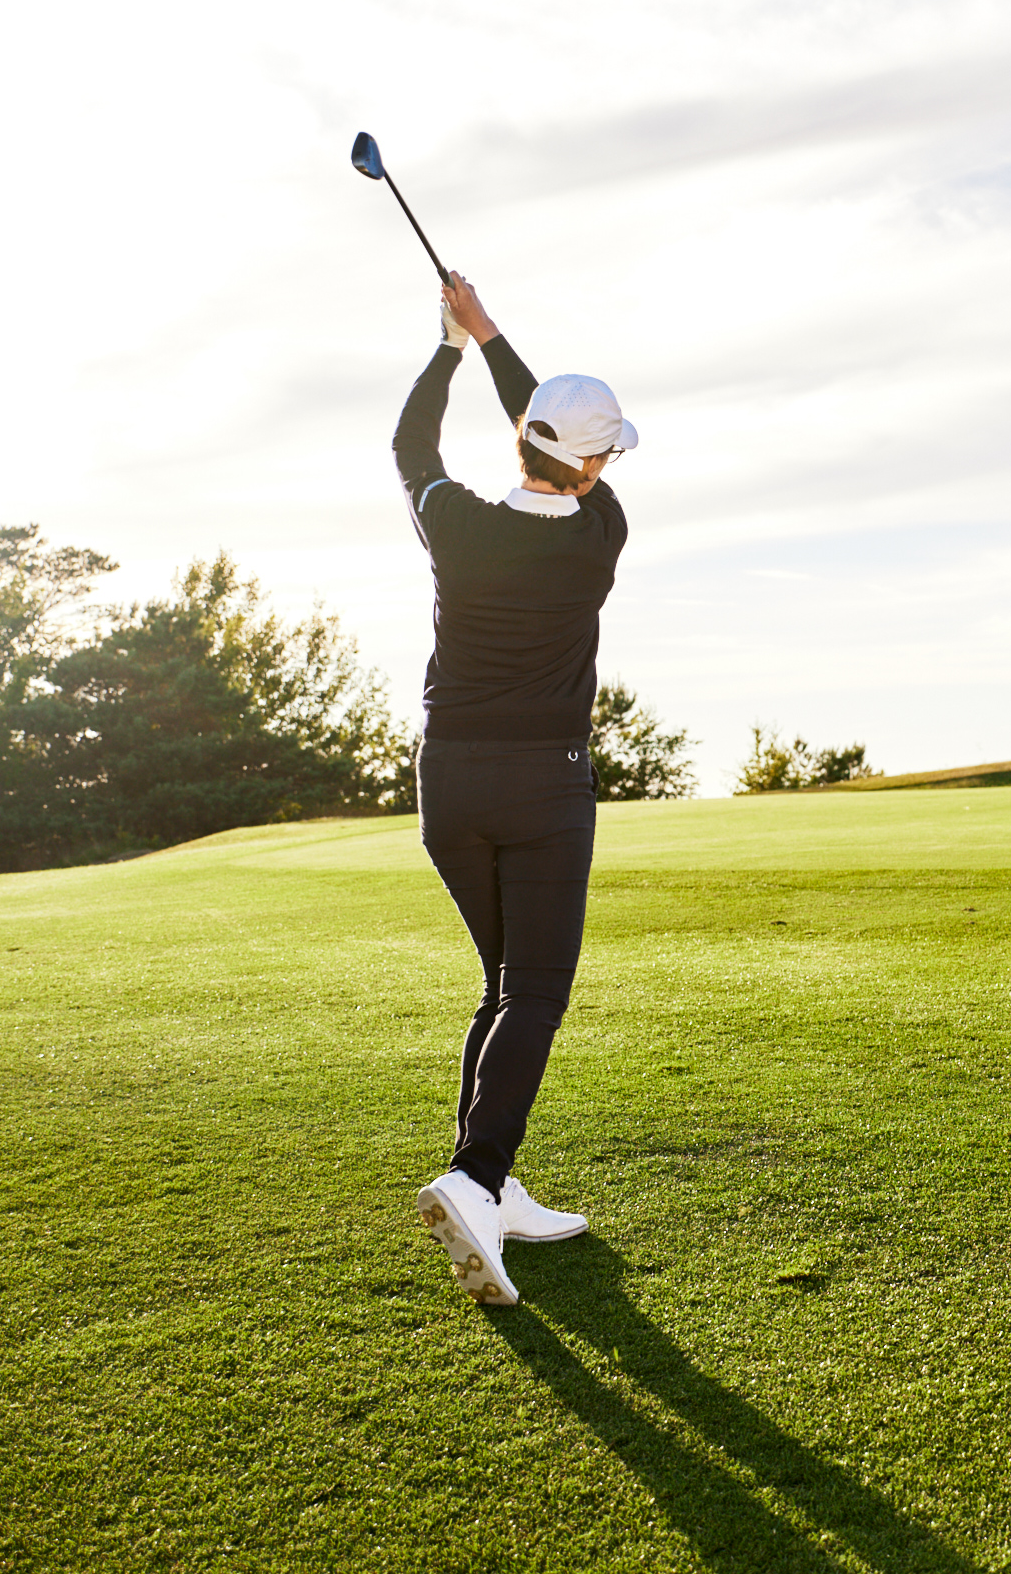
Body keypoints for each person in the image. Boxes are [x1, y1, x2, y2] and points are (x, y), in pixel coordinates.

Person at [395, 269, 637, 1307]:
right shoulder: (598, 535)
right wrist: (493, 340)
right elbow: (551, 445)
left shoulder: (453, 521)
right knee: (535, 992)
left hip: (447, 785)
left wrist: (453, 345)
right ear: (587, 462)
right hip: (544, 790)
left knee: (503, 988)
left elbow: (413, 448)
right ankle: (475, 1178)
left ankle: (493, 1176)